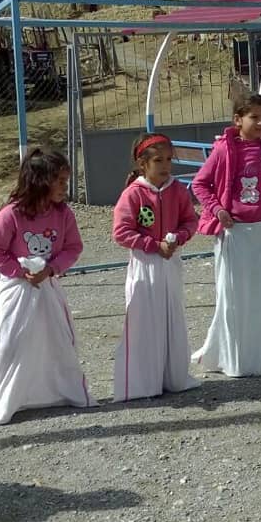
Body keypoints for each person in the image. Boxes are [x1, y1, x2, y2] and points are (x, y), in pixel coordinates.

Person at [0, 148, 94, 427]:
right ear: (40, 181)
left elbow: (73, 247)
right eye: (60, 181)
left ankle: (61, 391)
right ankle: (8, 401)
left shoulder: (63, 214)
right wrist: (20, 271)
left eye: (66, 181)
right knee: (12, 341)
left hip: (48, 285)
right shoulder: (11, 215)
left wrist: (51, 269)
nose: (65, 187)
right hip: (18, 288)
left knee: (56, 338)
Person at [191, 94, 261, 377]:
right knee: (234, 295)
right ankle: (233, 356)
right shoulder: (225, 149)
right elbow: (200, 184)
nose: (260, 123)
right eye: (253, 117)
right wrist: (217, 209)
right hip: (237, 231)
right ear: (238, 119)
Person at [112, 134, 200, 401]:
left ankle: (173, 377)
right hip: (145, 264)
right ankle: (144, 382)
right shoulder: (133, 194)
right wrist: (152, 245)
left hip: (170, 261)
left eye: (169, 160)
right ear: (143, 164)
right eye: (158, 160)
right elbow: (121, 232)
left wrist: (178, 238)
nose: (166, 166)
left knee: (171, 316)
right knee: (145, 320)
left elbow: (190, 221)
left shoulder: (177, 190)